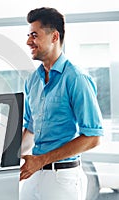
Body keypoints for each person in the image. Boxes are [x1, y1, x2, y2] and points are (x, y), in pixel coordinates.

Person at [19, 7, 103, 200]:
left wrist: (41, 160)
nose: (28, 41)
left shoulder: (76, 78)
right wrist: (5, 161)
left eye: (34, 35)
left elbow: (93, 136)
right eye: (28, 35)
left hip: (63, 178)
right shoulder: (32, 80)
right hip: (34, 174)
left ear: (54, 36)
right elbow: (30, 129)